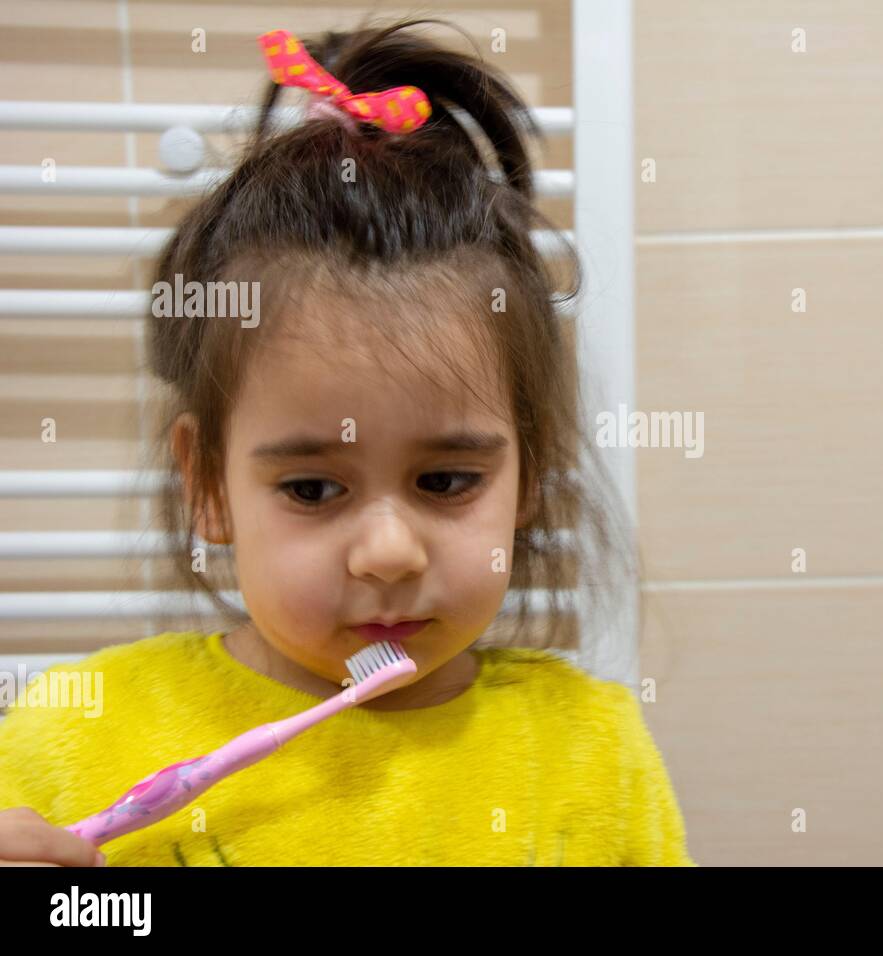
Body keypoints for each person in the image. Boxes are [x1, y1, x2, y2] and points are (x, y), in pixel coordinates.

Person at [0, 19, 693, 867]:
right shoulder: (75, 735)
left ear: (532, 472)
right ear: (208, 484)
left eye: (445, 480)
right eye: (313, 490)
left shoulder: (593, 754)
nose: (389, 552)